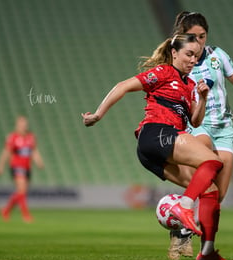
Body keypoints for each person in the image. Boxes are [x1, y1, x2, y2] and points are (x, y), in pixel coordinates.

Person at [82, 34, 224, 245]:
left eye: (197, 56)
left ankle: (205, 249)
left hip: (153, 150)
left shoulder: (191, 84)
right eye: (189, 54)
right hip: (157, 133)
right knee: (214, 161)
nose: (194, 60)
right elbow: (123, 85)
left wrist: (202, 98)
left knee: (210, 189)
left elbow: (195, 121)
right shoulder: (164, 72)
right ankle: (184, 206)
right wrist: (98, 114)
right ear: (174, 53)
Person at [164, 11, 233, 260]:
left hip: (224, 128)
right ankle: (182, 213)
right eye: (193, 37)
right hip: (197, 124)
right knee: (207, 174)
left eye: (202, 36)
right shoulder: (179, 59)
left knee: (218, 196)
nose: (199, 41)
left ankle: (205, 250)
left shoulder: (218, 56)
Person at [0, 116, 44, 223]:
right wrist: (0, 165)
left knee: (21, 193)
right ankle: (26, 215)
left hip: (27, 167)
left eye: (25, 124)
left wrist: (39, 161)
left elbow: (34, 151)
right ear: (17, 125)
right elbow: (6, 152)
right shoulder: (12, 137)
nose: (23, 126)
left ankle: (5, 210)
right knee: (21, 190)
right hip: (16, 166)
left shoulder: (31, 137)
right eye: (21, 124)